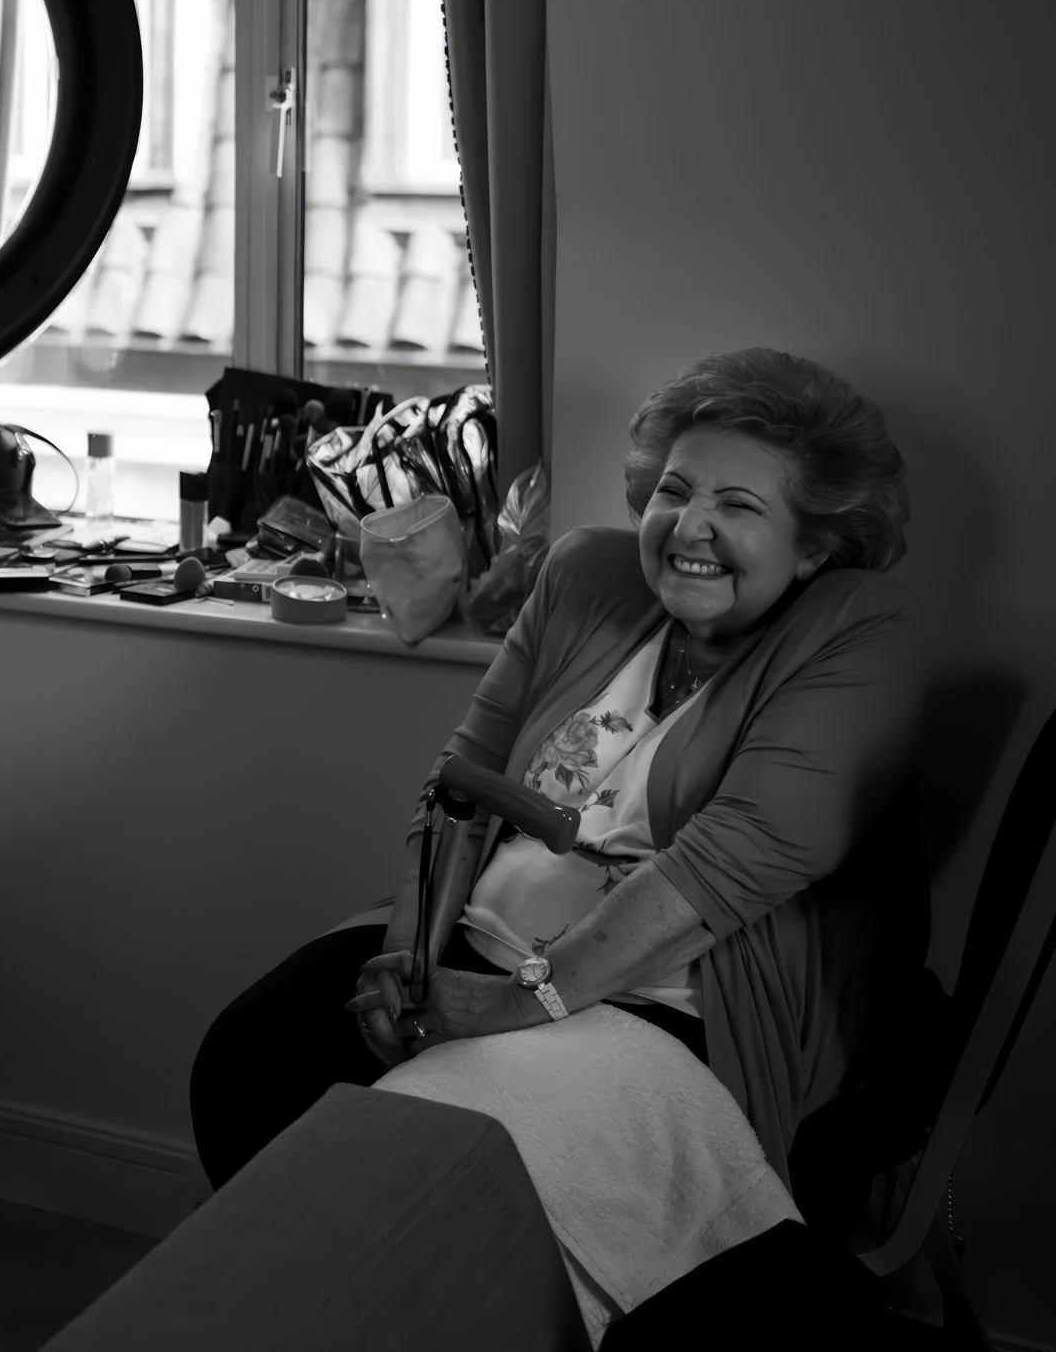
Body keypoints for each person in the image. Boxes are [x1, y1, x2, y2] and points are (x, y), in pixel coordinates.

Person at [187, 348, 923, 1346]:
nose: (691, 525)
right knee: (254, 1054)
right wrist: (409, 952)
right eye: (673, 489)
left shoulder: (855, 631)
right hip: (474, 940)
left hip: (657, 1000)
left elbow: (734, 855)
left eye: (739, 505)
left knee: (423, 1148)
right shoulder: (585, 572)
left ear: (812, 546)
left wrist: (511, 1000)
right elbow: (459, 780)